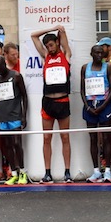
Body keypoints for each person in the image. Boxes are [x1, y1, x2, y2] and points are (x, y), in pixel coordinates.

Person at [31, 26, 73, 183]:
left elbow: (63, 37)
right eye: (47, 46)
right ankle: (47, 172)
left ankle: (67, 172)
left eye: (51, 44)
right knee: (47, 138)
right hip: (48, 102)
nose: (49, 48)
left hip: (62, 101)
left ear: (57, 42)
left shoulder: (66, 54)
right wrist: (52, 28)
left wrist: (60, 30)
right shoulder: (45, 56)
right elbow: (33, 35)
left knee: (65, 137)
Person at [0, 54, 28, 185]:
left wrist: (24, 115)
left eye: (0, 68)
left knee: (17, 144)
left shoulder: (16, 76)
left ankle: (23, 171)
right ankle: (13, 172)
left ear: (4, 64)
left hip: (15, 115)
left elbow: (24, 96)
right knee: (7, 146)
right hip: (3, 117)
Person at [83, 44, 111, 183]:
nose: (99, 55)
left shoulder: (107, 67)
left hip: (104, 104)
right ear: (91, 53)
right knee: (93, 139)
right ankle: (96, 171)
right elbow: (82, 89)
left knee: (107, 138)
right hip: (90, 105)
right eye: (96, 53)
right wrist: (87, 106)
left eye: (101, 53)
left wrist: (103, 105)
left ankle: (107, 170)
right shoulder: (85, 68)